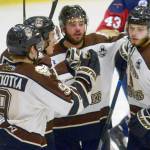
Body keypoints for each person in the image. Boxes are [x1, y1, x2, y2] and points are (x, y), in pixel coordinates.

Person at [0, 24, 100, 150]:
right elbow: (72, 104)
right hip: (26, 144)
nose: (40, 50)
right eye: (38, 46)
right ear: (32, 49)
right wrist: (85, 75)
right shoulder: (35, 75)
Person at [47, 5, 127, 150]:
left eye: (81, 23)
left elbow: (131, 40)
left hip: (98, 125)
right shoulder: (51, 55)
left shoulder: (101, 42)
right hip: (63, 128)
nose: (78, 28)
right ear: (62, 27)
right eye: (72, 24)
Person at [121, 6, 150, 149]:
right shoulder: (130, 46)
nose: (134, 33)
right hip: (137, 121)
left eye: (140, 29)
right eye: (131, 28)